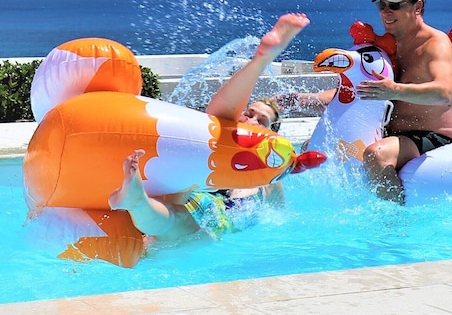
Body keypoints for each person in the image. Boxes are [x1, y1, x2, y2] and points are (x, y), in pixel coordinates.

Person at [109, 13, 311, 240]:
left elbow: (279, 228)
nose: (251, 122)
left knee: (199, 234)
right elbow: (219, 118)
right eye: (248, 113)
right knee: (212, 143)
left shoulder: (270, 184)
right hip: (186, 223)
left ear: (273, 135)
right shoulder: (207, 156)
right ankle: (260, 60)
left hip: (205, 235)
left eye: (261, 121)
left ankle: (138, 203)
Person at [278, 0, 452, 204]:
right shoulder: (387, 48)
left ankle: (392, 226)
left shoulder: (435, 44)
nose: (386, 12)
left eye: (395, 5)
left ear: (418, 6)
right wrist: (300, 100)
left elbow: (444, 94)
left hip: (436, 137)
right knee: (315, 146)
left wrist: (394, 90)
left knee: (376, 155)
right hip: (395, 136)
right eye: (382, 5)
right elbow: (360, 92)